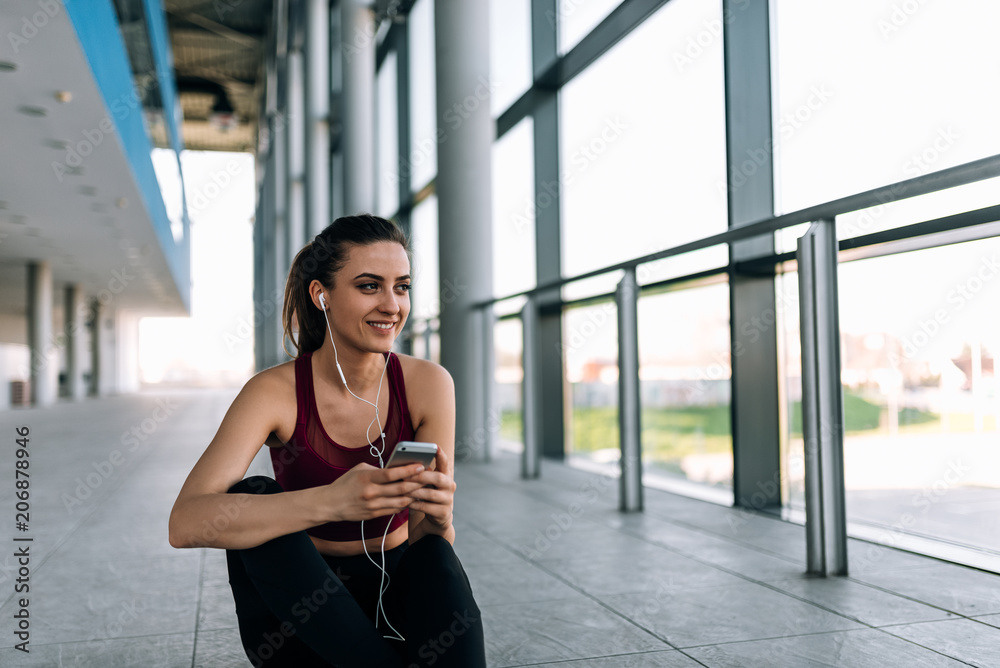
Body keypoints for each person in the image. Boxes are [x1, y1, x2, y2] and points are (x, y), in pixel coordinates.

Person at [168, 214, 486, 667]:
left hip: (396, 586)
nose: (393, 305)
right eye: (369, 286)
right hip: (302, 602)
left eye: (402, 286)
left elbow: (429, 542)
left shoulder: (428, 383)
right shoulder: (273, 391)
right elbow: (184, 523)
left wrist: (437, 517)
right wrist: (333, 503)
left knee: (435, 555)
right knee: (251, 495)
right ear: (322, 295)